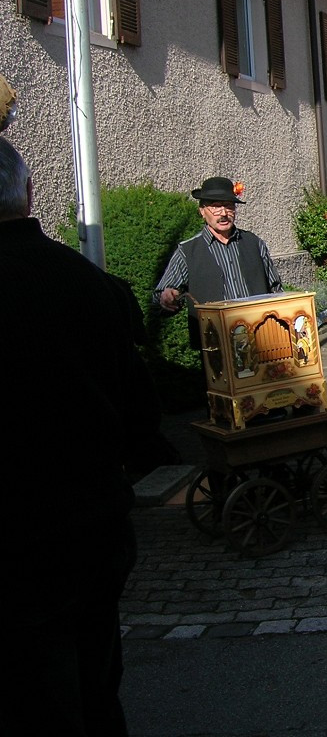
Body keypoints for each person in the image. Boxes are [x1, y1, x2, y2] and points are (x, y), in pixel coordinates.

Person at [1, 136, 160, 735]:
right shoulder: (92, 285)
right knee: (95, 691)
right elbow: (141, 413)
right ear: (31, 194)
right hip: (90, 529)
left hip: (17, 543)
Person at [154, 176, 283, 347]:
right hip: (215, 345)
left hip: (259, 339)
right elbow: (160, 297)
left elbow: (277, 291)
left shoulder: (254, 243)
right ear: (202, 211)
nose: (223, 213)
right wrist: (167, 297)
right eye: (215, 207)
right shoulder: (187, 251)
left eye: (228, 206)